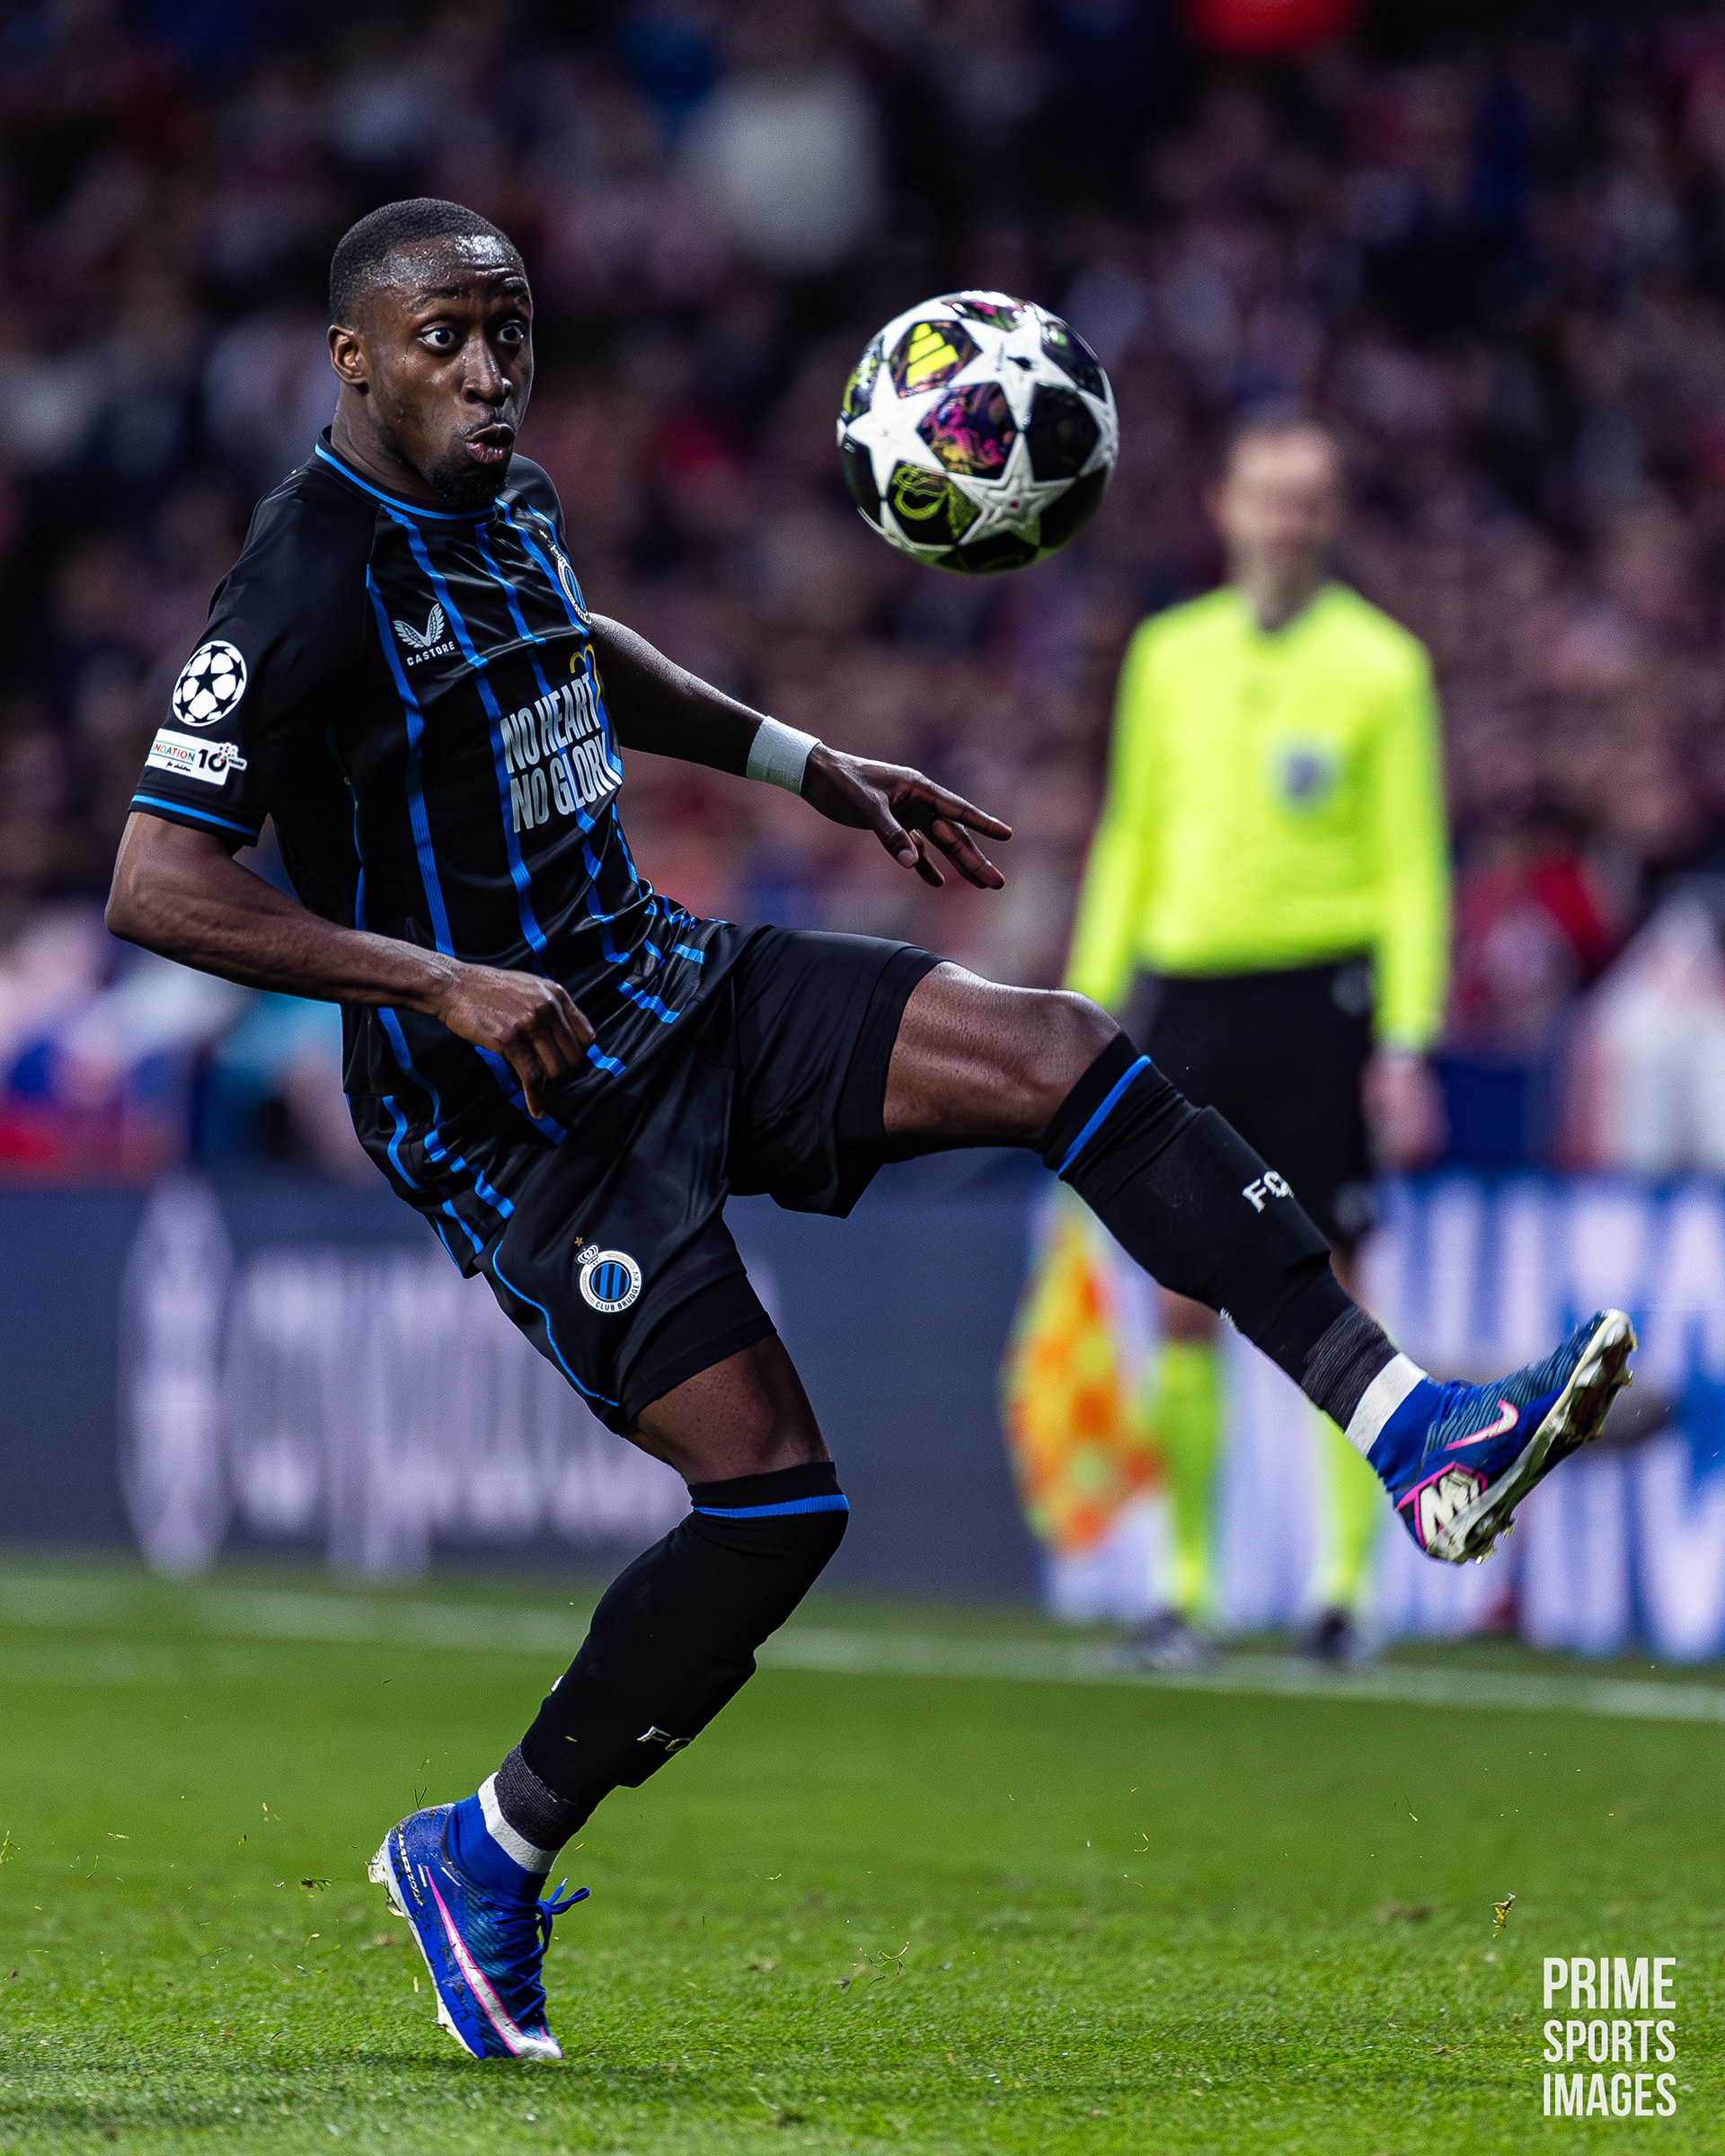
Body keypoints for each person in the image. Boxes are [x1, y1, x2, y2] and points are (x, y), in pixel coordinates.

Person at [105, 199, 1634, 2063]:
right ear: (353, 360)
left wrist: (805, 763)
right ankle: (483, 1853)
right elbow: (156, 881)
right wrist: (437, 984)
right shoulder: (303, 574)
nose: (492, 373)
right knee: (777, 1503)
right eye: (446, 340)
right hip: (521, 1111)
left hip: (673, 983)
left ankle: (1414, 1433)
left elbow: (571, 649)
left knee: (1058, 1049)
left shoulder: (509, 501)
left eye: (511, 334)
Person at [1065, 416, 1449, 1667]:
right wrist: (1085, 1000)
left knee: (1334, 1285)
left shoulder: (1383, 667)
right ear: (1224, 508)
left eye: (1309, 500)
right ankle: (1186, 1591)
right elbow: (1131, 831)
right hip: (1193, 996)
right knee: (1182, 1293)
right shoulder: (1168, 656)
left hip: (1321, 1002)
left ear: (1331, 518)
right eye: (1269, 497)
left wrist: (1408, 1036)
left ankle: (1344, 1595)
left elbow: (1411, 864)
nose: (1288, 521)